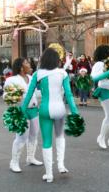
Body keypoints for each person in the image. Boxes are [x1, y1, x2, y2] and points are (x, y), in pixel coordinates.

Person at [22, 48, 79, 183]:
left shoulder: (37, 74)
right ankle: (61, 165)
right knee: (60, 137)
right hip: (60, 109)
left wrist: (22, 110)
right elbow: (69, 95)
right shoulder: (62, 73)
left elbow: (29, 94)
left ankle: (49, 174)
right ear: (56, 60)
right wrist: (75, 112)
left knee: (47, 141)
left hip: (45, 110)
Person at [3, 58, 43, 173]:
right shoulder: (11, 80)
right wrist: (16, 95)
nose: (29, 64)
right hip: (22, 111)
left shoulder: (31, 78)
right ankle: (14, 162)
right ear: (21, 67)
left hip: (34, 110)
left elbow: (37, 93)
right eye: (26, 63)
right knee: (21, 137)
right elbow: (6, 96)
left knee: (34, 134)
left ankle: (30, 157)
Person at [91, 45, 109, 149]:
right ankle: (101, 137)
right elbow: (93, 77)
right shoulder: (99, 64)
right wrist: (106, 71)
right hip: (104, 90)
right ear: (105, 52)